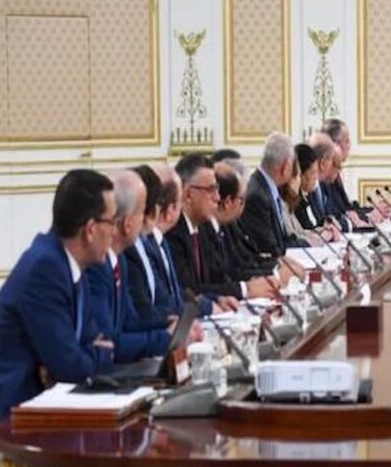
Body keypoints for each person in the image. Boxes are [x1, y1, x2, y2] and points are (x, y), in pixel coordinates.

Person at [0, 170, 116, 467]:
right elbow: (72, 367)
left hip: (45, 414)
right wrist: (93, 355)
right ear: (90, 229)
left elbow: (89, 345)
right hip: (8, 432)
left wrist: (83, 356)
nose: (114, 232)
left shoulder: (69, 264)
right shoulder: (44, 267)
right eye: (111, 222)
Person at [86, 170, 171, 364]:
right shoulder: (96, 267)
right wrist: (164, 339)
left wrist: (167, 325)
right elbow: (108, 340)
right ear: (127, 223)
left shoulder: (120, 259)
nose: (145, 219)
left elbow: (130, 323)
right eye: (142, 212)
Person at [167, 154, 277, 303]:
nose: (218, 198)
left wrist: (252, 283)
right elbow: (190, 290)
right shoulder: (173, 232)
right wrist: (245, 289)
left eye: (217, 189)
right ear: (188, 194)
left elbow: (219, 277)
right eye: (211, 190)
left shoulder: (202, 227)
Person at [239, 132, 302, 257]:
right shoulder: (257, 197)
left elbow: (282, 239)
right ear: (285, 167)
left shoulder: (266, 187)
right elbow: (270, 247)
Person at [125, 165, 164, 323]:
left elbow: (160, 296)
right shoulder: (125, 252)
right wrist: (166, 331)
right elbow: (140, 313)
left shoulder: (146, 244)